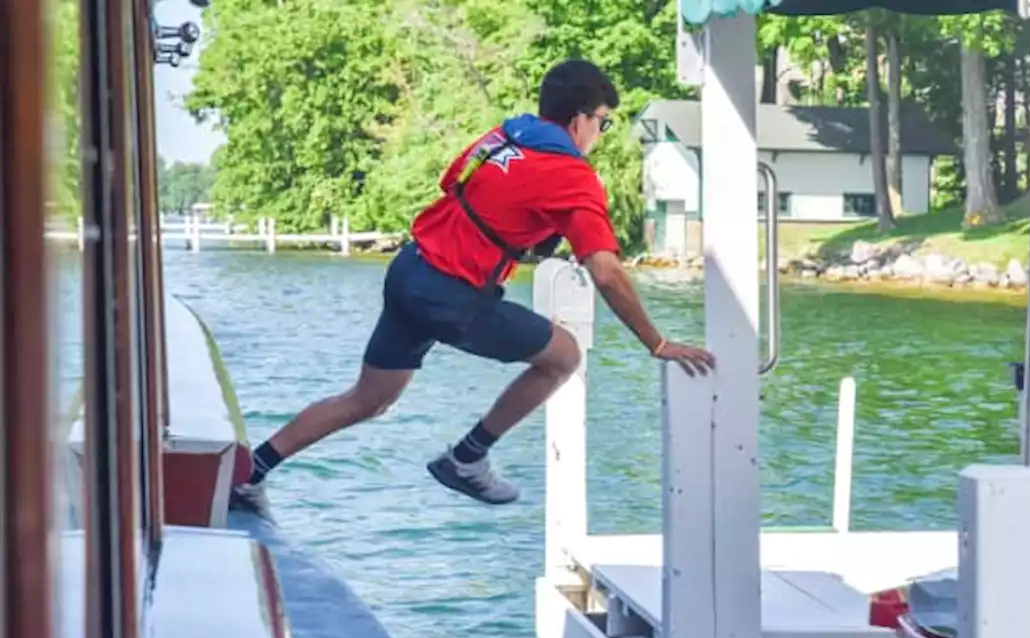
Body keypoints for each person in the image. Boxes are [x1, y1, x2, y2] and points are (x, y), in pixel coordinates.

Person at [232, 59, 715, 511]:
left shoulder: (503, 136)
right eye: (602, 123)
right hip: (451, 293)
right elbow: (605, 271)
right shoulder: (573, 176)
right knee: (564, 356)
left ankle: (251, 472)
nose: (600, 135)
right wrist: (657, 342)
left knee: (368, 398)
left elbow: (456, 187)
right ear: (579, 120)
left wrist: (528, 235)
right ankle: (467, 457)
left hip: (409, 270)